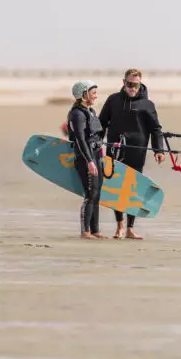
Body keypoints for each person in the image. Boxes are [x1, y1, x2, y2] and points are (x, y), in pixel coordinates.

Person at [98, 69, 165, 240]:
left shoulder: (147, 104)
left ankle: (130, 228)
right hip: (115, 149)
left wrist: (159, 150)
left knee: (132, 188)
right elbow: (102, 123)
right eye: (129, 84)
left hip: (137, 150)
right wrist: (96, 143)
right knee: (116, 185)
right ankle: (119, 226)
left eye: (135, 85)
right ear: (123, 82)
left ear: (140, 84)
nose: (132, 88)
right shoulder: (114, 100)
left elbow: (156, 129)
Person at [67, 80, 107, 240]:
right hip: (85, 158)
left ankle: (95, 230)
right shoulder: (77, 114)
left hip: (96, 155)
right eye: (93, 93)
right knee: (90, 193)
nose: (96, 96)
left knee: (97, 193)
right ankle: (85, 231)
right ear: (83, 95)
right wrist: (89, 161)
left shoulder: (90, 111)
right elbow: (80, 140)